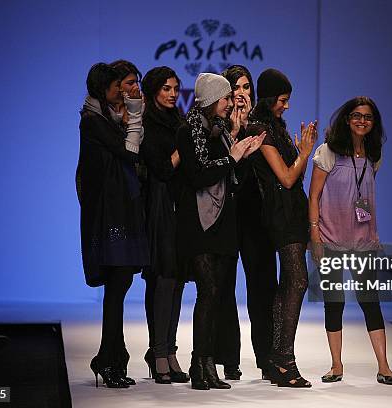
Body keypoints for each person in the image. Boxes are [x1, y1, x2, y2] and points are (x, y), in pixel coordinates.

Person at [176, 73, 264, 390]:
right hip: (198, 223)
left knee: (217, 296)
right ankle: (199, 363)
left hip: (225, 223)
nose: (230, 102)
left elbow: (231, 176)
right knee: (208, 292)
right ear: (214, 99)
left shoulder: (223, 130)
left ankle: (208, 363)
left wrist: (243, 155)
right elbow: (198, 175)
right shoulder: (188, 132)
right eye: (226, 97)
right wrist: (233, 157)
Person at [308, 96, 392, 385]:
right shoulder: (328, 152)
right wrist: (314, 235)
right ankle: (336, 365)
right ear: (347, 119)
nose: (362, 120)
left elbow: (366, 196)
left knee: (370, 301)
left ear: (374, 123)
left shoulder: (374, 154)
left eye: (368, 117)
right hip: (331, 238)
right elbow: (314, 196)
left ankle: (384, 366)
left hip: (364, 241)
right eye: (357, 115)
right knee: (333, 302)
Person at [76, 62, 149, 388]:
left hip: (122, 211)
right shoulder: (93, 121)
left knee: (119, 286)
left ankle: (110, 358)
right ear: (103, 89)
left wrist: (129, 117)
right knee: (116, 287)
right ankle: (110, 360)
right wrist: (134, 115)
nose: (122, 90)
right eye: (117, 86)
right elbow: (129, 152)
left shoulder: (106, 119)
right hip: (109, 216)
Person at [246, 68, 317, 387]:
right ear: (271, 97)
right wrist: (304, 152)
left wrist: (300, 155)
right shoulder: (260, 129)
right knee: (297, 281)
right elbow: (287, 177)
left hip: (292, 211)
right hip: (279, 214)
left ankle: (279, 359)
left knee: (291, 282)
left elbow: (294, 177)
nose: (286, 106)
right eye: (283, 100)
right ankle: (283, 360)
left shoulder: (276, 127)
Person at [213, 65, 278, 380]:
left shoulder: (264, 126)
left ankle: (267, 358)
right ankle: (228, 359)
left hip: (257, 219)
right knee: (223, 288)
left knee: (263, 289)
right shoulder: (215, 128)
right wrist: (233, 135)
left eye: (246, 88)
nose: (241, 94)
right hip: (225, 217)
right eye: (235, 88)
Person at [139, 66, 189, 384]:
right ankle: (158, 352)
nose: (172, 94)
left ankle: (169, 350)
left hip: (180, 207)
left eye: (175, 88)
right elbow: (161, 169)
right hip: (157, 208)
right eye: (166, 89)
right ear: (153, 90)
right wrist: (183, 148)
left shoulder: (179, 121)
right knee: (163, 278)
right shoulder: (146, 123)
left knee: (178, 279)